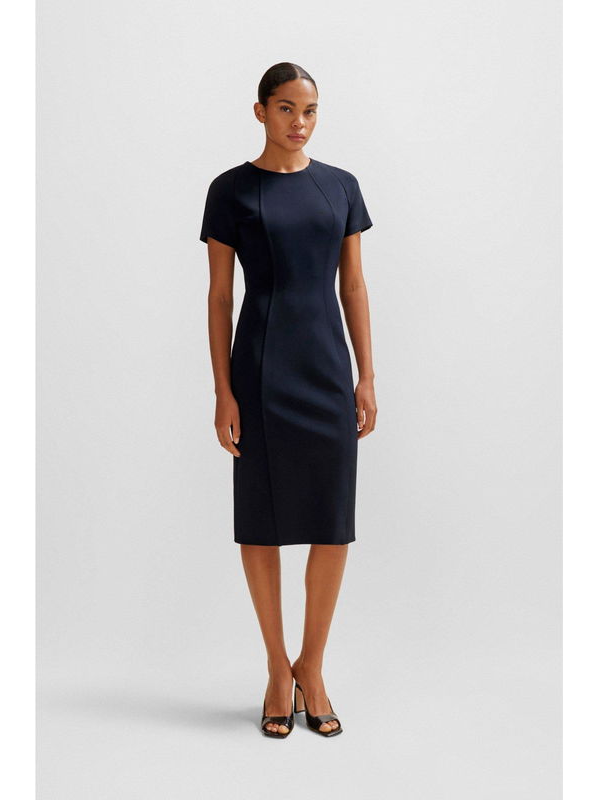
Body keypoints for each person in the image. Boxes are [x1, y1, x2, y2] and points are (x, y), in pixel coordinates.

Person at [199, 62, 377, 738]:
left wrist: (366, 376)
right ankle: (278, 668)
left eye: (309, 110)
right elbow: (220, 297)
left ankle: (313, 667)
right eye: (285, 108)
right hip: (261, 370)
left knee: (332, 522)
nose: (299, 122)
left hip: (326, 369)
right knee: (262, 522)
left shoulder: (341, 186)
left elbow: (353, 286)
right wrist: (224, 390)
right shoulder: (230, 190)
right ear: (260, 112)